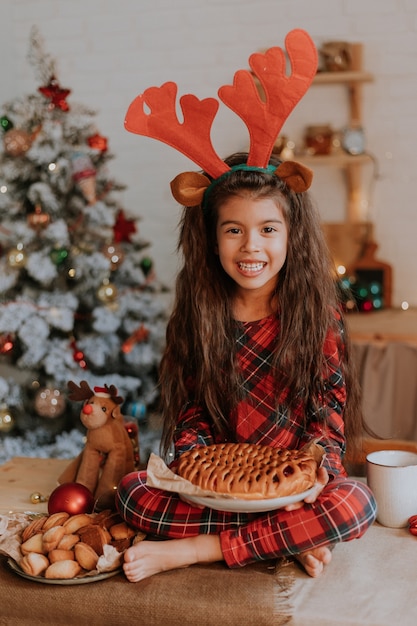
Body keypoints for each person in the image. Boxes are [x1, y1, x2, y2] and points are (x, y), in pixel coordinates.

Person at [116, 150, 377, 583]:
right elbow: (192, 416)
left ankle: (201, 549)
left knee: (356, 501)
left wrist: (311, 480)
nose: (251, 245)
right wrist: (193, 472)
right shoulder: (199, 314)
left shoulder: (317, 316)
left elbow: (327, 418)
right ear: (212, 237)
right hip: (219, 494)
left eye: (268, 229)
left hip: (296, 491)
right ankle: (288, 540)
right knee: (132, 493)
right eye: (234, 229)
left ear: (292, 236)